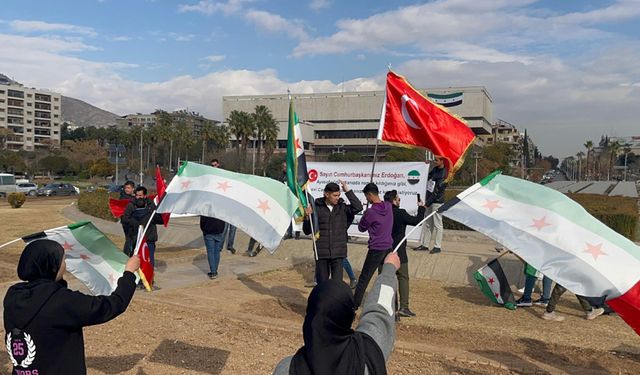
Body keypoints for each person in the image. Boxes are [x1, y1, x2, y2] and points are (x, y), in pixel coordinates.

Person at [3, 239, 139, 375]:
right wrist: (129, 273)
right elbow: (110, 306)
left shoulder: (13, 296)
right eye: (62, 260)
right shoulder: (62, 301)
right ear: (52, 266)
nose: (65, 265)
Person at [273, 252, 400, 375]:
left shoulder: (287, 369)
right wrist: (389, 269)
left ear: (309, 317)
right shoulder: (367, 355)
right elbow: (380, 314)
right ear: (349, 317)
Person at [303, 181, 363, 283]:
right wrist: (307, 217)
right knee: (322, 285)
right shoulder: (316, 208)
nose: (337, 198)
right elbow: (307, 230)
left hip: (338, 254)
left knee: (337, 285)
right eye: (334, 195)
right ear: (326, 194)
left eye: (338, 195)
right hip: (321, 253)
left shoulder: (342, 207)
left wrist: (347, 191)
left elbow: (358, 207)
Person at [384, 189, 425, 317]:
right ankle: (403, 307)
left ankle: (388, 306)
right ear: (394, 201)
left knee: (386, 280)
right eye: (399, 199)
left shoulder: (383, 213)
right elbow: (417, 221)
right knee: (403, 278)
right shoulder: (400, 213)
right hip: (399, 252)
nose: (400, 201)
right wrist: (421, 208)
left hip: (384, 252)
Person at [353, 183, 393, 309]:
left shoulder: (371, 212)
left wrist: (365, 215)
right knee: (388, 278)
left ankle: (354, 306)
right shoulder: (388, 206)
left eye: (366, 197)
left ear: (370, 195)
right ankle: (393, 308)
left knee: (364, 278)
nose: (366, 199)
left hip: (376, 248)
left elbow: (361, 228)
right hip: (388, 247)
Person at [121, 186, 164, 268]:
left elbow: (160, 220)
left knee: (149, 261)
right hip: (135, 239)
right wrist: (134, 222)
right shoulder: (131, 205)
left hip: (149, 238)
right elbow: (125, 219)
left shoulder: (151, 205)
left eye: (140, 196)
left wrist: (154, 218)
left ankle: (149, 279)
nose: (138, 197)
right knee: (135, 261)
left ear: (145, 196)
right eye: (137, 195)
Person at [414, 155, 447, 254]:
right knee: (428, 223)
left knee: (438, 225)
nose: (434, 161)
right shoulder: (435, 170)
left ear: (442, 161)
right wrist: (425, 166)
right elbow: (427, 177)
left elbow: (437, 191)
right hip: (429, 201)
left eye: (436, 160)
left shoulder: (443, 174)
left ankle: (437, 246)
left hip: (437, 202)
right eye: (434, 159)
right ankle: (425, 244)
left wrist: (427, 203)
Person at [211, 158, 237, 254]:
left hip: (232, 206)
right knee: (224, 228)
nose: (214, 167)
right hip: (225, 207)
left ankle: (230, 245)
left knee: (233, 228)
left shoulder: (223, 175)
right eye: (212, 165)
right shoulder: (214, 176)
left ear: (218, 164)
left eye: (215, 165)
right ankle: (220, 246)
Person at [119, 180, 136, 255]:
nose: (126, 189)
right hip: (126, 221)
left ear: (133, 189)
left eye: (128, 188)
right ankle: (126, 255)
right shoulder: (123, 197)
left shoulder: (134, 196)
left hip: (133, 221)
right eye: (126, 188)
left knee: (132, 238)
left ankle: (130, 253)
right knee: (129, 238)